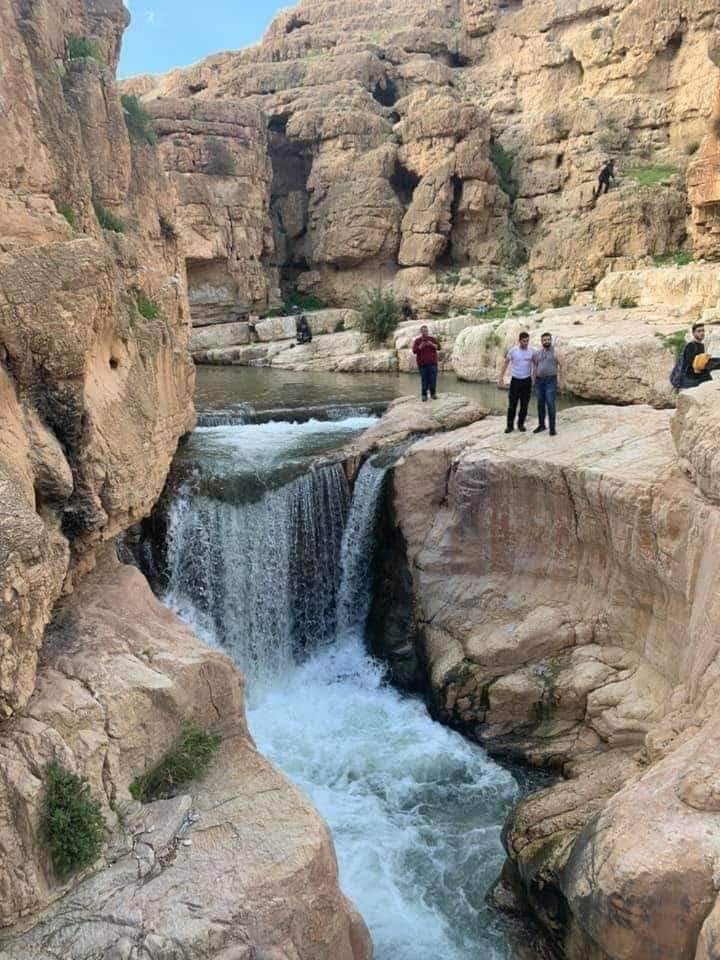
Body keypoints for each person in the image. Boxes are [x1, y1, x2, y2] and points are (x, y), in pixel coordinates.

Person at [498, 331, 535, 433]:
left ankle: (521, 424)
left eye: (527, 341)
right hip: (515, 381)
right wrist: (501, 377)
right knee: (512, 405)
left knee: (524, 405)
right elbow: (505, 363)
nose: (526, 343)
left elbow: (535, 363)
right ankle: (509, 426)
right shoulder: (513, 350)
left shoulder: (531, 351)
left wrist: (534, 377)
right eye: (524, 341)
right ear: (519, 341)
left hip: (526, 381)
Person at [532, 332, 562, 436]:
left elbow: (562, 365)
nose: (546, 341)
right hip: (539, 381)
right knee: (540, 404)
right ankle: (541, 425)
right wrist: (533, 380)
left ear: (551, 340)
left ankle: (552, 428)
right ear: (541, 341)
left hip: (551, 381)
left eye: (548, 339)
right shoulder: (538, 353)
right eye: (544, 340)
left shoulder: (556, 352)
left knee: (550, 403)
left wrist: (561, 380)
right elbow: (535, 366)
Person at [679, 322, 720, 389]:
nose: (702, 333)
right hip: (691, 379)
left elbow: (701, 361)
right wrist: (707, 360)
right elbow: (693, 364)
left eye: (703, 331)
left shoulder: (701, 345)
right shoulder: (690, 345)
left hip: (700, 375)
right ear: (693, 333)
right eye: (699, 331)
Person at [412, 325, 440, 401]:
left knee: (433, 379)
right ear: (421, 332)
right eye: (423, 331)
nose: (425, 332)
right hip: (422, 364)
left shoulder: (432, 339)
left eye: (426, 331)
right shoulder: (417, 340)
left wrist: (431, 344)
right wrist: (421, 346)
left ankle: (433, 394)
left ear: (428, 331)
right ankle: (424, 395)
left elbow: (439, 347)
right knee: (424, 380)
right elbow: (414, 351)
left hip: (433, 363)